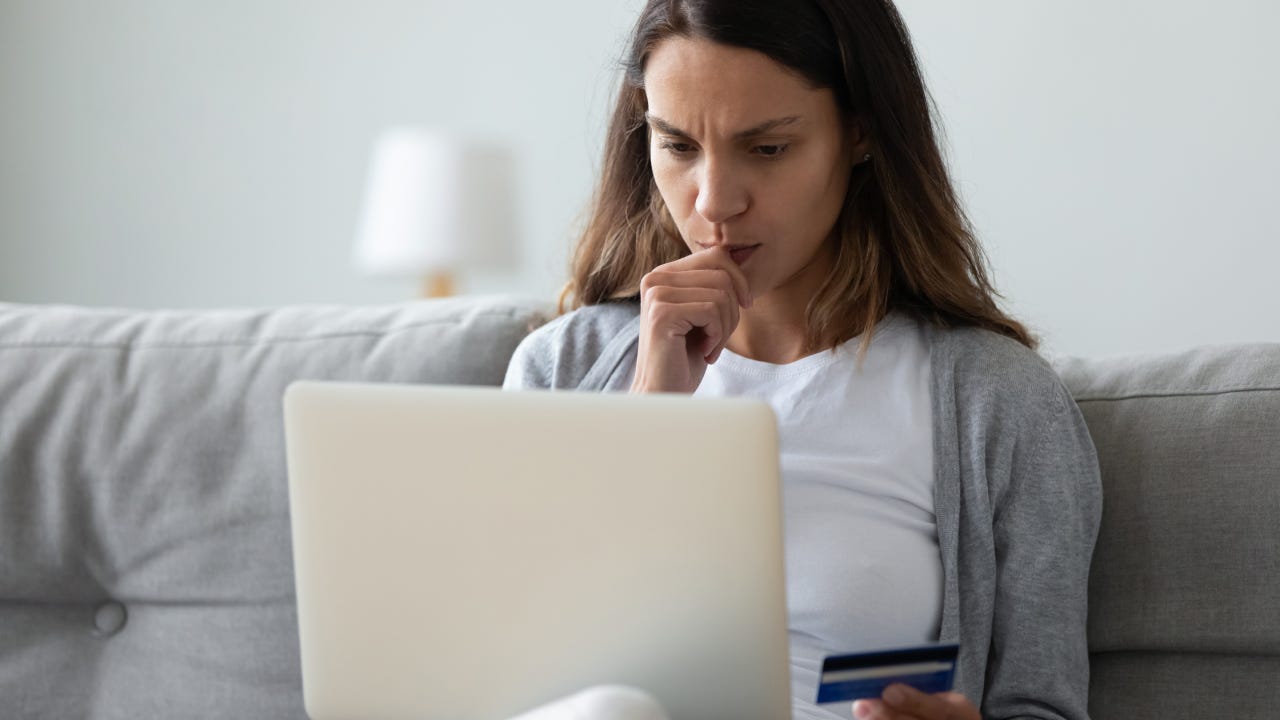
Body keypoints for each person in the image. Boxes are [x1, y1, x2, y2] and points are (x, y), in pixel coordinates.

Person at [503, 1, 1103, 718]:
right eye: (679, 146)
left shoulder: (996, 401)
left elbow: (1043, 701)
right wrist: (650, 412)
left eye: (767, 149)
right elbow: (512, 664)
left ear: (860, 132)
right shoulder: (559, 371)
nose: (715, 201)